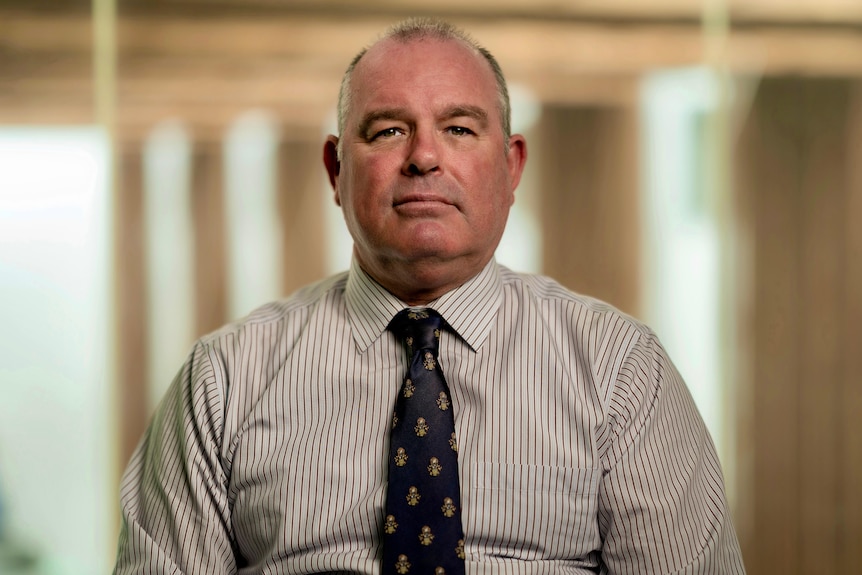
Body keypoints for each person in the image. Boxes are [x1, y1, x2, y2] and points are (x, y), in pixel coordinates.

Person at [113, 17, 745, 575]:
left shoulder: (620, 371)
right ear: (336, 171)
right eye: (388, 131)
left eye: (460, 129)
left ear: (512, 166)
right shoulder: (222, 381)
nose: (423, 157)